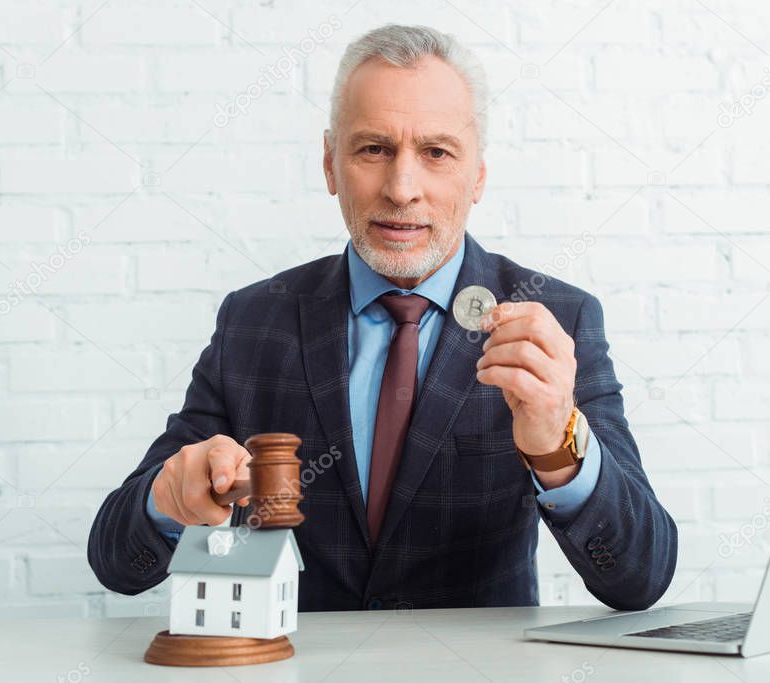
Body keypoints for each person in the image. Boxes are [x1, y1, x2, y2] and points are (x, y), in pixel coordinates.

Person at [87, 23, 677, 612]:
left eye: (436, 153)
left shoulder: (557, 324)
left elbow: (640, 578)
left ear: (477, 177)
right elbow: (116, 563)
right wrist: (167, 499)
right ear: (329, 164)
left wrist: (556, 448)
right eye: (374, 148)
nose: (401, 188)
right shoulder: (253, 322)